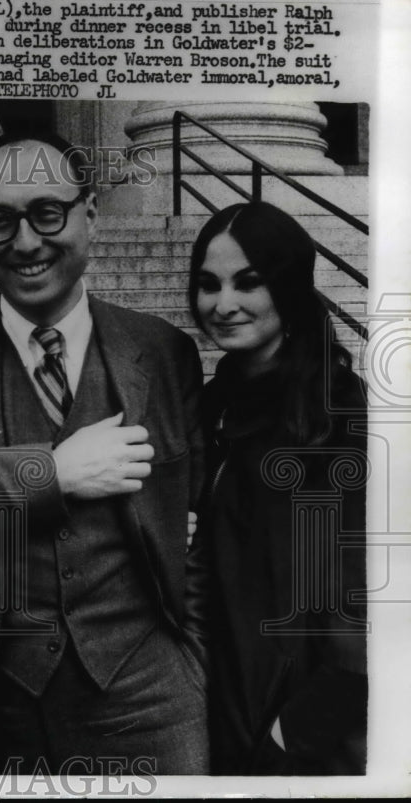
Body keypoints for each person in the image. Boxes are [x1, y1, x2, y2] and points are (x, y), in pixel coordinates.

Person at [0, 133, 208, 775]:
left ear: (91, 213)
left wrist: (193, 664)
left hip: (151, 699)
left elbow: (203, 525)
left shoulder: (164, 352)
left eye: (48, 213)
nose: (25, 242)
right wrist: (51, 473)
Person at [189, 201, 367, 774]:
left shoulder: (337, 413)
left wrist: (294, 735)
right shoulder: (212, 406)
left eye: (248, 282)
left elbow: (359, 597)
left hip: (299, 727)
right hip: (220, 704)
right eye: (209, 285)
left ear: (286, 287)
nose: (223, 304)